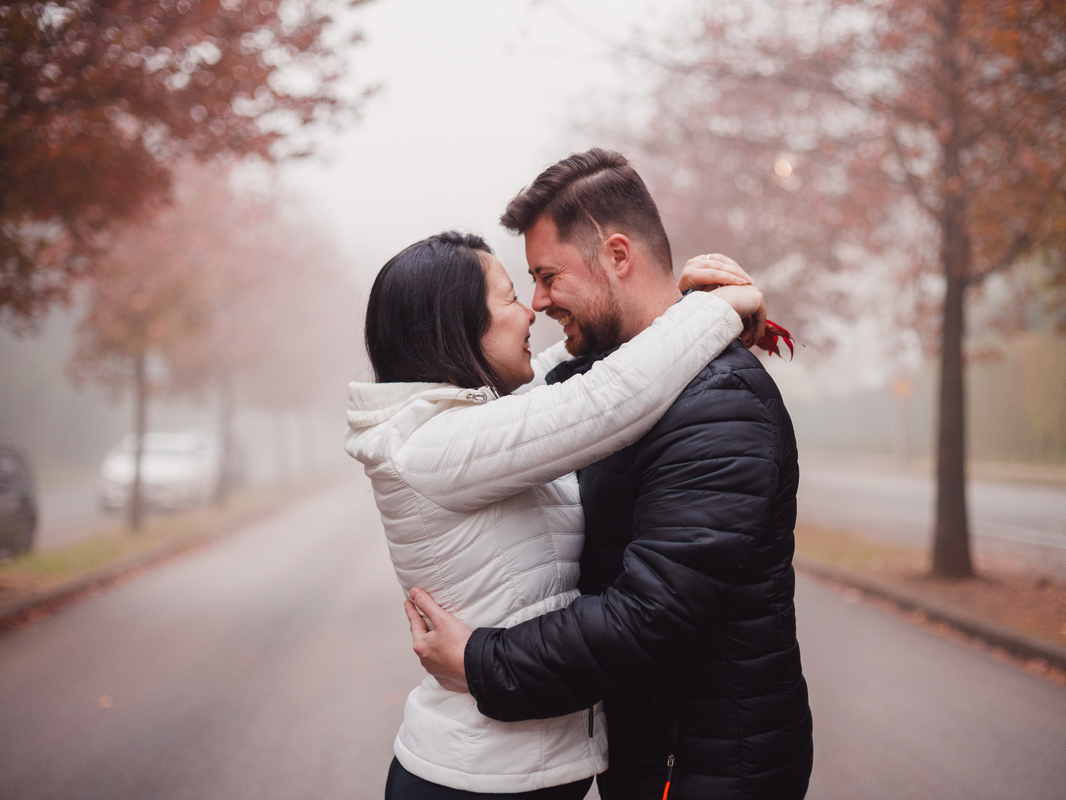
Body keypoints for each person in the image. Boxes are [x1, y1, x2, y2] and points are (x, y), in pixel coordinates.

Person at [405, 149, 814, 800]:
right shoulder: (601, 382)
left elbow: (648, 615)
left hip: (711, 770)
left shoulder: (720, 405)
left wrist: (483, 662)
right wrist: (708, 309)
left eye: (546, 275)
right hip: (651, 757)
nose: (537, 302)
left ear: (618, 256)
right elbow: (515, 399)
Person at [345, 229, 769, 799]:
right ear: (456, 328)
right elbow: (606, 399)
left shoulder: (466, 421)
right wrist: (722, 307)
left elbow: (573, 367)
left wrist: (676, 307)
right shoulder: (436, 445)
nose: (530, 314)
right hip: (477, 780)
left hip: (510, 772)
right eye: (509, 299)